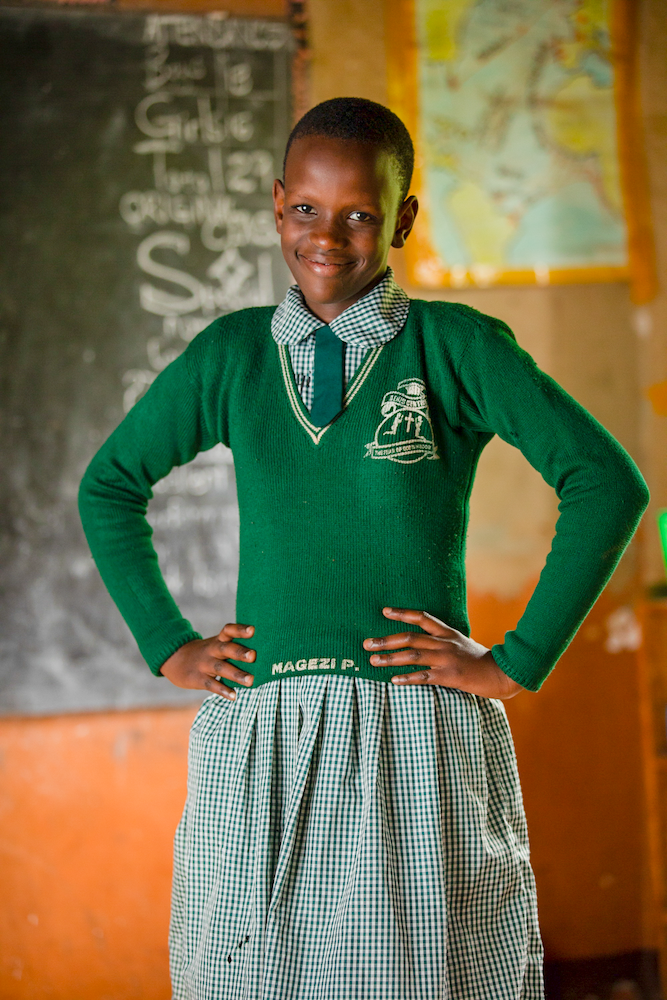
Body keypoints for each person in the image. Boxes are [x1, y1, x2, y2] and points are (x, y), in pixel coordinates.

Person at [78, 97, 649, 1000]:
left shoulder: (453, 346)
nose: (327, 236)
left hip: (412, 735)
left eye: (360, 215)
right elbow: (108, 485)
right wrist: (170, 643)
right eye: (306, 209)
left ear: (403, 220)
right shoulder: (232, 356)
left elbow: (606, 482)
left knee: (426, 976)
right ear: (276, 205)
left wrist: (514, 661)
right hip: (263, 739)